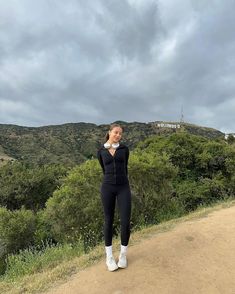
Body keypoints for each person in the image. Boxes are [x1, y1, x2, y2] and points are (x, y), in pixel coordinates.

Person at [97, 123, 132, 271]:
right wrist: (111, 179)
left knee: (125, 221)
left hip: (123, 187)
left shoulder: (124, 150)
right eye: (116, 132)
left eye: (120, 134)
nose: (118, 135)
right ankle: (109, 257)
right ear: (109, 132)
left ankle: (123, 255)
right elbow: (104, 169)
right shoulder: (101, 151)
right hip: (108, 187)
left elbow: (125, 168)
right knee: (108, 221)